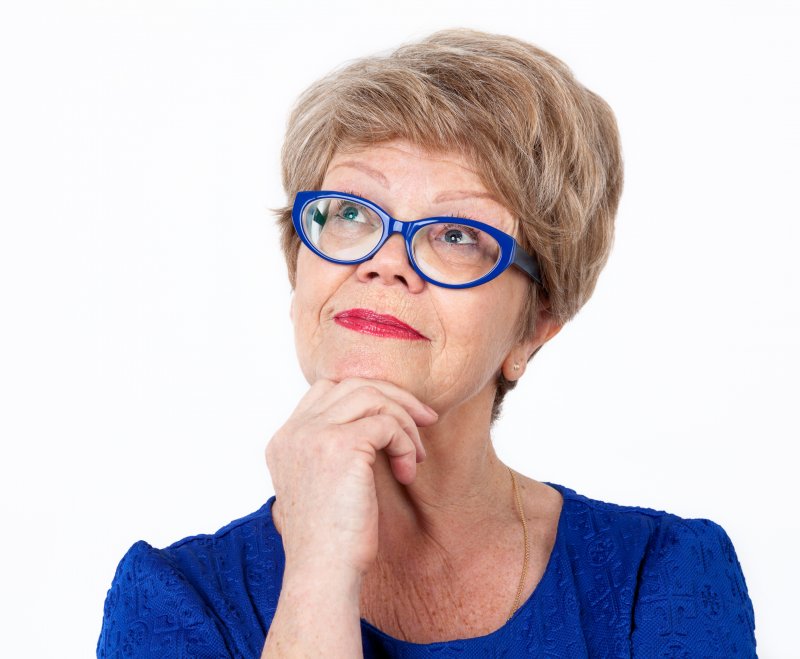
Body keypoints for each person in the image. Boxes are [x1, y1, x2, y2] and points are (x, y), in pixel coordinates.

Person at [97, 29, 757, 657]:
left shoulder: (662, 575)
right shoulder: (174, 598)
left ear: (536, 325)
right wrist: (319, 570)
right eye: (351, 212)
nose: (385, 262)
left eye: (456, 234)